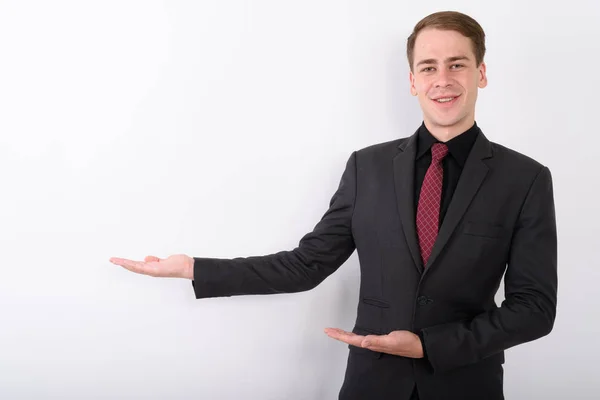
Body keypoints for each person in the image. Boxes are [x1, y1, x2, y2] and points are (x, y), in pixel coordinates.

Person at [110, 10, 557, 400]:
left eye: (456, 64)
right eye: (428, 67)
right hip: (372, 385)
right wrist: (194, 267)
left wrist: (429, 345)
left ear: (480, 72)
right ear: (412, 81)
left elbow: (534, 308)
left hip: (465, 386)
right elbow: (306, 265)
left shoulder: (525, 179)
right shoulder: (368, 168)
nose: (442, 79)